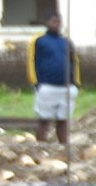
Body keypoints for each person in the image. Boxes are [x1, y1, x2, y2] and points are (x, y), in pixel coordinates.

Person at [25, 12, 80, 147]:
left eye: (58, 21)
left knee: (63, 120)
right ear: (47, 23)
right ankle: (40, 147)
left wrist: (76, 83)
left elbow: (74, 62)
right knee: (44, 120)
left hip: (67, 87)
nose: (56, 24)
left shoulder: (66, 41)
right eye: (53, 21)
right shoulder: (39, 40)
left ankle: (63, 147)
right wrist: (35, 83)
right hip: (47, 86)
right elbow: (31, 61)